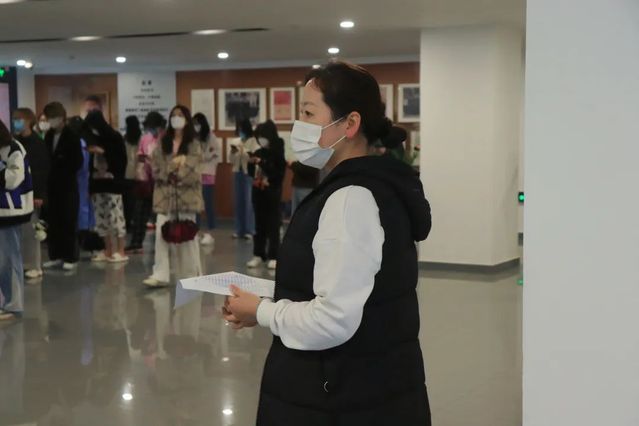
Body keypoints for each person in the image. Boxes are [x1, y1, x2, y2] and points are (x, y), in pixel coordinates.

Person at [223, 62, 432, 425]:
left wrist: (262, 312)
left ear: (349, 124)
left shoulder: (351, 198)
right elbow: (341, 285)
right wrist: (266, 300)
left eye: (308, 113)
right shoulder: (369, 186)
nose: (298, 125)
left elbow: (332, 320)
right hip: (367, 388)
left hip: (338, 396)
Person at [143, 105, 203, 287]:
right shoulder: (163, 142)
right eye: (173, 115)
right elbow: (156, 166)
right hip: (165, 195)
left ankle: (192, 273)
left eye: (180, 115)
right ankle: (160, 274)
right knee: (161, 234)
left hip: (187, 196)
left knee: (188, 236)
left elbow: (194, 169)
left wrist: (178, 171)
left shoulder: (194, 144)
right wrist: (172, 168)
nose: (176, 118)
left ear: (186, 119)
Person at [42, 102, 83, 271]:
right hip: (51, 186)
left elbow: (77, 161)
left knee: (68, 221)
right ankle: (55, 255)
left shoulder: (72, 136)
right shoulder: (48, 136)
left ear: (61, 117)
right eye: (48, 117)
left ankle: (70, 257)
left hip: (67, 186)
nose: (50, 121)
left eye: (53, 117)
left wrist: (62, 163)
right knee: (53, 221)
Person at [0, 118, 33, 321]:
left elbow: (14, 178)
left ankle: (14, 305)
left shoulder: (14, 148)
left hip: (10, 212)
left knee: (9, 259)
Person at [85, 110, 129, 263]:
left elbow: (121, 160)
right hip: (97, 184)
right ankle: (107, 249)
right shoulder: (93, 139)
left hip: (113, 184)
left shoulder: (114, 137)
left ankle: (121, 250)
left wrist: (103, 151)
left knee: (116, 217)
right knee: (101, 218)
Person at [12, 108, 50, 280]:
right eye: (14, 119)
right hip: (18, 192)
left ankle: (35, 265)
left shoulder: (37, 143)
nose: (15, 122)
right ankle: (23, 263)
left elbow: (41, 170)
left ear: (28, 121)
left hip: (33, 192)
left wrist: (39, 194)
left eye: (18, 119)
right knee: (20, 230)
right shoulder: (15, 142)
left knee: (32, 229)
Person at [246, 120, 286, 270]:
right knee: (259, 226)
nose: (260, 140)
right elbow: (251, 173)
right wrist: (251, 163)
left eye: (262, 136)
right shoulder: (259, 152)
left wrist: (262, 162)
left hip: (272, 194)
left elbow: (277, 174)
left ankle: (274, 256)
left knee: (273, 226)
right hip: (258, 194)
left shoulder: (277, 152)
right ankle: (258, 254)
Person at [126, 111, 165, 252]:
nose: (151, 130)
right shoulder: (145, 138)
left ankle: (164, 244)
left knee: (161, 215)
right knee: (140, 213)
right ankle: (136, 242)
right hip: (146, 181)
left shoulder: (165, 138)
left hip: (161, 181)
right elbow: (140, 156)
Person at [193, 113, 220, 246]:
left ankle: (210, 231)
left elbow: (215, 154)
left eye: (197, 124)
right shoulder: (193, 137)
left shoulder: (211, 136)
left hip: (208, 173)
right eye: (194, 124)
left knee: (208, 203)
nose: (196, 126)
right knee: (196, 204)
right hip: (196, 174)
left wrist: (205, 156)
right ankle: (196, 231)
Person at [229, 118, 258, 240]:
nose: (240, 131)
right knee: (238, 201)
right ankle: (238, 230)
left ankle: (249, 230)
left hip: (248, 174)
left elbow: (254, 158)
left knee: (248, 202)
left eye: (242, 128)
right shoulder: (236, 141)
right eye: (238, 128)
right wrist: (234, 152)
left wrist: (243, 152)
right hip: (237, 172)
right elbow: (231, 159)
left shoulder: (253, 141)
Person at [123, 115, 142, 232]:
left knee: (127, 201)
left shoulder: (124, 139)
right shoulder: (141, 139)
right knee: (136, 201)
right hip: (138, 175)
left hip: (126, 174)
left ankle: (127, 223)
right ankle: (136, 223)